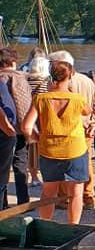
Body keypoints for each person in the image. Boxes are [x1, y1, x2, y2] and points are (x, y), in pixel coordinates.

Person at [21, 60, 91, 224]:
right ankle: (72, 228)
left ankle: (46, 225)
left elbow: (26, 127)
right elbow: (88, 111)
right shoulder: (77, 99)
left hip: (49, 150)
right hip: (75, 150)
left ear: (51, 75)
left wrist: (36, 138)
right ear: (71, 75)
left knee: (48, 192)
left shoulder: (40, 99)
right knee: (76, 193)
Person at [48, 51, 95, 210]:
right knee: (87, 163)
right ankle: (88, 196)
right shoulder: (87, 81)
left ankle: (65, 199)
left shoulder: (58, 84)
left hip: (68, 130)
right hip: (86, 129)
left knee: (64, 164)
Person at [0, 48, 33, 207]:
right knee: (20, 164)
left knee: (2, 167)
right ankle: (23, 201)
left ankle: (4, 202)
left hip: (5, 127)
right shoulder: (20, 78)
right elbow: (24, 104)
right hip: (18, 128)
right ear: (12, 61)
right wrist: (28, 129)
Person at [26, 55, 49, 185]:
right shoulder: (47, 81)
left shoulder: (26, 79)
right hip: (42, 117)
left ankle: (34, 177)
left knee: (31, 148)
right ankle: (46, 176)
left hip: (28, 116)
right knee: (44, 148)